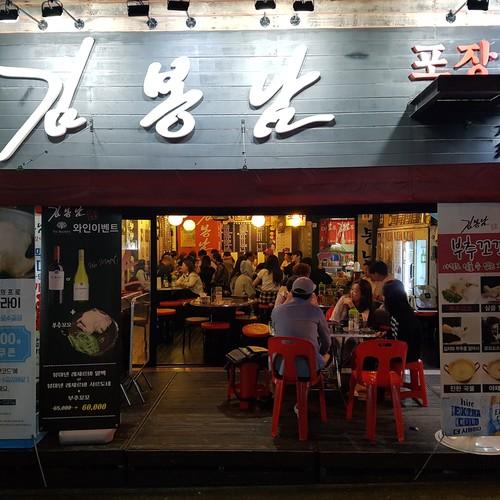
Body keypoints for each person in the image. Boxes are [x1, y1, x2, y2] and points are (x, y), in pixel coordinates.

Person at [271, 277, 331, 375]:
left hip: (281, 368)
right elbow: (327, 342)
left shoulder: (276, 311)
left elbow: (276, 332)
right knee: (327, 355)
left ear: (292, 292)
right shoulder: (316, 312)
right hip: (309, 370)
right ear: (311, 295)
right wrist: (319, 353)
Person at [382, 279, 422, 363]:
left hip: (406, 355)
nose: (383, 298)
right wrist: (386, 333)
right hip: (403, 351)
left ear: (390, 297)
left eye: (384, 295)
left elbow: (403, 341)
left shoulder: (404, 316)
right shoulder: (398, 311)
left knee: (371, 355)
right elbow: (394, 333)